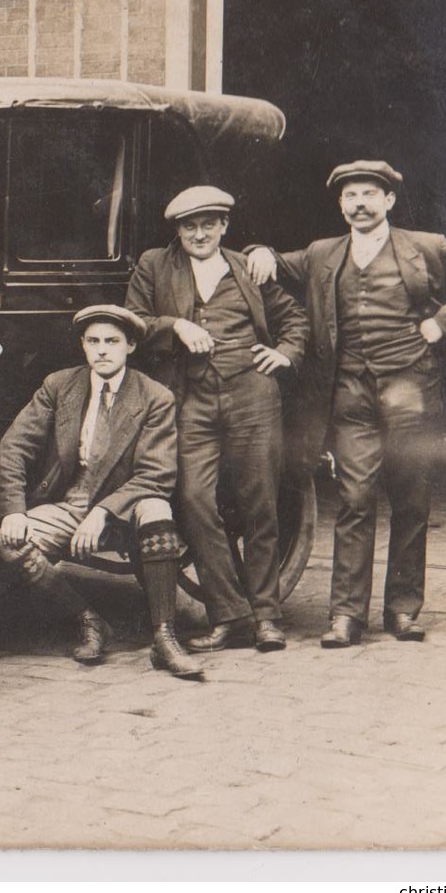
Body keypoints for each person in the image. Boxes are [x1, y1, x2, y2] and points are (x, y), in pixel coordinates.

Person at [246, 160, 446, 647]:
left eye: (371, 193)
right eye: (351, 196)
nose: (360, 203)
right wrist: (260, 250)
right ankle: (346, 615)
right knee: (354, 498)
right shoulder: (321, 253)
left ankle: (403, 610)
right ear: (340, 204)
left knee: (411, 497)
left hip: (411, 387)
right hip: (350, 393)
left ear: (390, 200)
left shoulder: (427, 248)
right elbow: (267, 264)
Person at [125, 186, 308, 653]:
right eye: (190, 226)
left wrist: (284, 354)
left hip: (252, 395)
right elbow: (132, 321)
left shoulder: (249, 267)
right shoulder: (154, 264)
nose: (200, 233)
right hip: (190, 400)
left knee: (259, 502)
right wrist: (175, 326)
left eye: (209, 224)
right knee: (192, 499)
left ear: (225, 226)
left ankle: (266, 616)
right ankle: (229, 613)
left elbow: (295, 320)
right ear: (177, 230)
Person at [0, 305, 203, 680]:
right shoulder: (59, 386)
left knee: (157, 509)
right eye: (93, 341)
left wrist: (103, 511)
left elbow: (156, 474)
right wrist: (13, 510)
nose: (102, 350)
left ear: (130, 347)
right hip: (70, 504)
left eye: (112, 341)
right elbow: (12, 448)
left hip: (126, 507)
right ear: (83, 346)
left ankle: (165, 637)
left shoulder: (154, 397)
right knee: (9, 542)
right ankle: (88, 619)